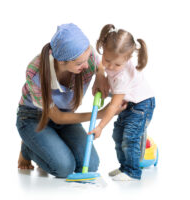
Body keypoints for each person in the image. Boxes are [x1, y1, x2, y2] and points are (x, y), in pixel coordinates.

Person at [16, 23, 126, 178]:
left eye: (88, 58)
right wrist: (101, 114)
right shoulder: (35, 72)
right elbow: (58, 117)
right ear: (61, 61)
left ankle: (48, 144)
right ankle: (28, 148)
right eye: (80, 63)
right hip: (33, 117)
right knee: (64, 168)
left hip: (65, 116)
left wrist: (100, 74)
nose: (87, 65)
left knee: (90, 165)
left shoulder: (85, 55)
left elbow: (98, 64)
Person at [88, 24, 155, 181]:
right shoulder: (110, 60)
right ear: (103, 49)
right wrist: (101, 76)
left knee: (130, 137)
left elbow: (114, 106)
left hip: (142, 105)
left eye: (117, 64)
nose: (110, 66)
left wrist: (100, 127)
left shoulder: (122, 76)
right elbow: (99, 64)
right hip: (129, 104)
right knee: (118, 135)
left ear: (128, 59)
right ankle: (124, 167)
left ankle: (132, 171)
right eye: (107, 59)